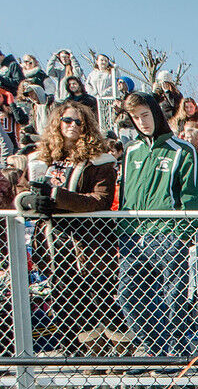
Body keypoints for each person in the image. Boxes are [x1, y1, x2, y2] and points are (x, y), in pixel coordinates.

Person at [14, 101, 128, 355]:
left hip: (91, 243)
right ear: (58, 123)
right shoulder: (41, 157)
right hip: (53, 241)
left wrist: (57, 197)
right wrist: (30, 201)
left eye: (79, 121)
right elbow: (21, 191)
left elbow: (101, 199)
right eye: (67, 120)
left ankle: (124, 360)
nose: (73, 126)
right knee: (67, 301)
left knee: (102, 301)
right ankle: (86, 360)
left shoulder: (99, 159)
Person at [117, 92, 198, 358]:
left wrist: (183, 234)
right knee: (129, 294)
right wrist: (122, 229)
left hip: (168, 234)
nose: (141, 122)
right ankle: (153, 348)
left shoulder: (183, 150)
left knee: (173, 298)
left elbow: (192, 197)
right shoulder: (131, 151)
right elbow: (125, 193)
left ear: (156, 115)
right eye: (135, 118)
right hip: (133, 236)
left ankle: (178, 351)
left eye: (145, 115)